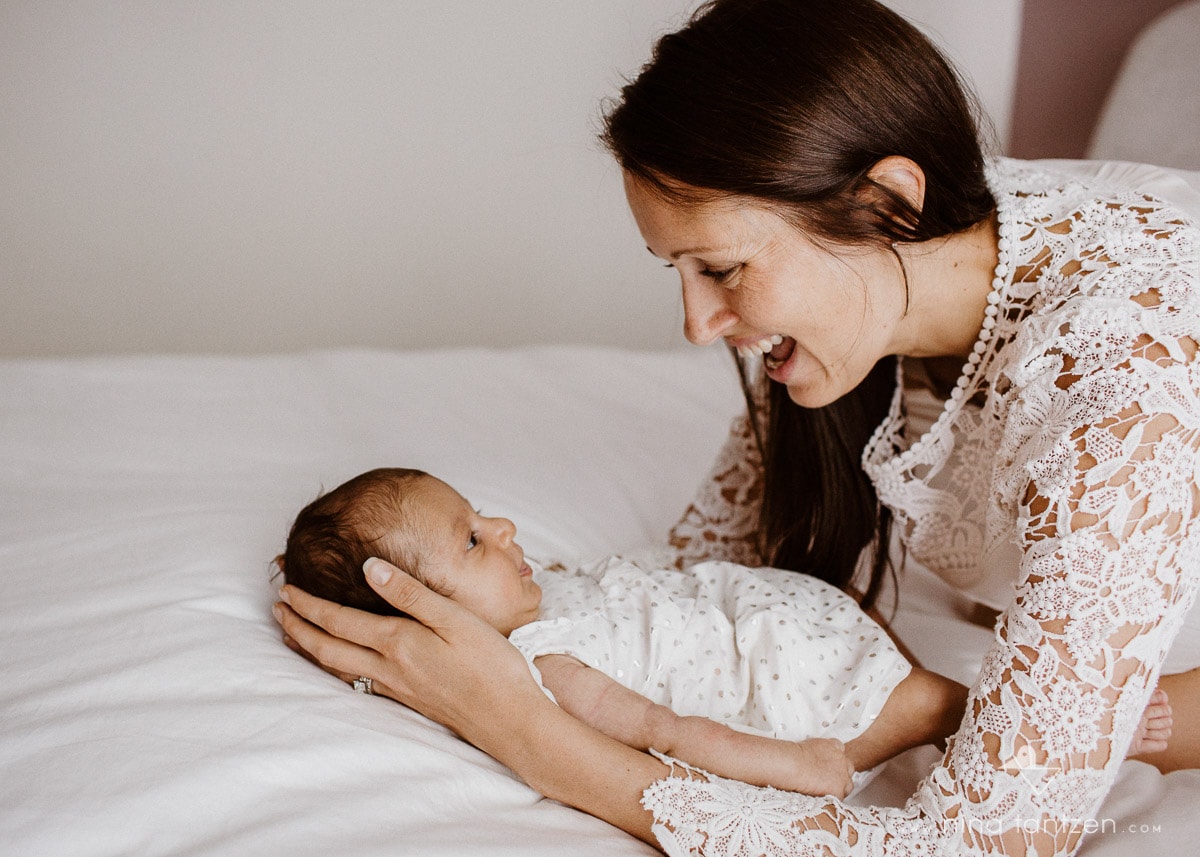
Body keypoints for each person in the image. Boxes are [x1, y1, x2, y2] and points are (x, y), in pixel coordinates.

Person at [274, 0, 1200, 854]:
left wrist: (536, 739)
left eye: (719, 268)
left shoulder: (1121, 387)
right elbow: (697, 584)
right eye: (675, 270)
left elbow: (981, 844)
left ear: (889, 204)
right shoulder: (868, 289)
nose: (695, 325)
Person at [276, 466, 978, 796]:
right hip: (787, 684)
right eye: (471, 542)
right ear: (435, 617)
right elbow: (668, 731)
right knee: (936, 703)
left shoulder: (535, 595)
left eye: (481, 513)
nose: (503, 529)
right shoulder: (548, 668)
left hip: (771, 617)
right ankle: (973, 717)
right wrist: (802, 766)